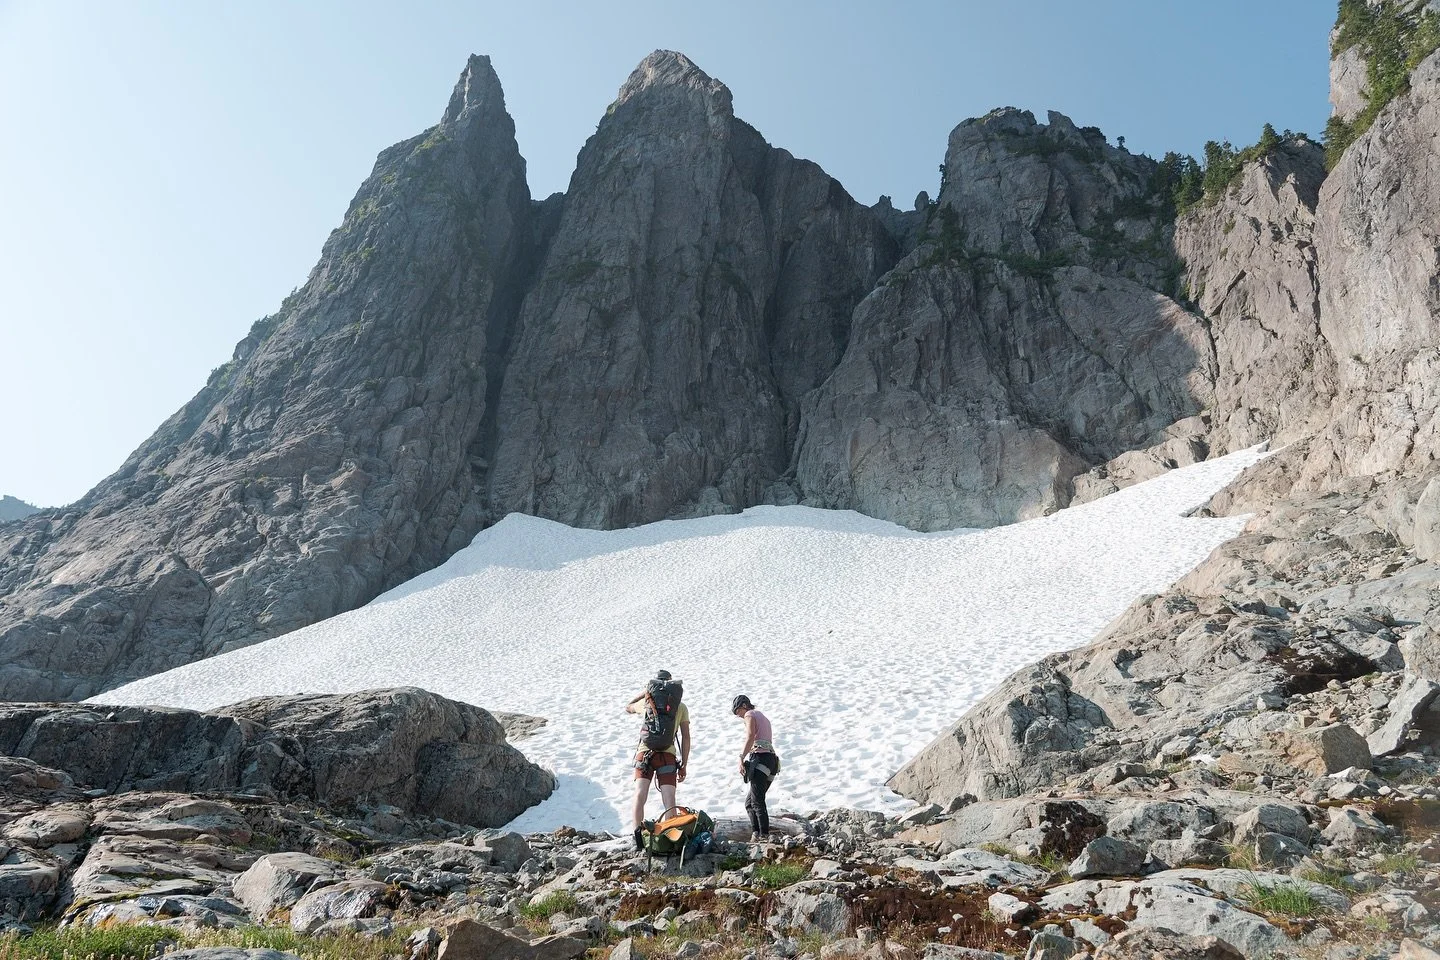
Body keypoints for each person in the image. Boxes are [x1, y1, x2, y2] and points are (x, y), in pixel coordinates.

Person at [625, 669, 690, 850]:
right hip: (667, 755)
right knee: (669, 798)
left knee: (640, 794)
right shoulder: (680, 706)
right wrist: (684, 764)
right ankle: (671, 839)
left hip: (645, 753)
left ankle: (638, 839)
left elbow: (628, 707)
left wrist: (645, 693)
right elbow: (686, 736)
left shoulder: (647, 703)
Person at [732, 694, 778, 841]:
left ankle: (763, 834)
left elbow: (751, 736)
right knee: (750, 802)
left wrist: (741, 757)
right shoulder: (762, 716)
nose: (738, 715)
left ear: (744, 706)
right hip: (771, 761)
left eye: (738, 711)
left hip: (760, 758)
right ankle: (756, 833)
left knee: (757, 801)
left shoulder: (749, 714)